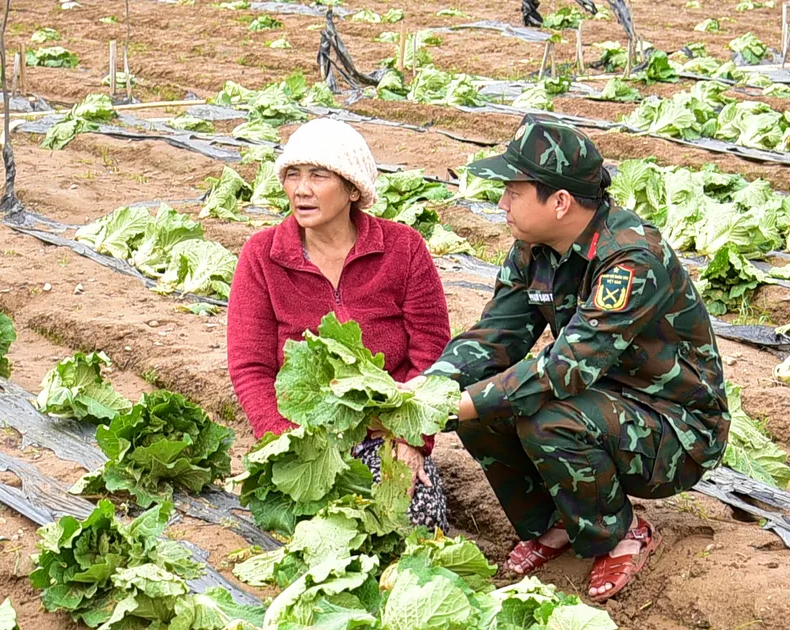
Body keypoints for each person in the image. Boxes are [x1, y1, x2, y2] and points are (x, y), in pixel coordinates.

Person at [419, 115, 729, 601]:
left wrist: (457, 405)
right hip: (603, 398)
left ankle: (621, 531)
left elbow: (565, 366)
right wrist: (428, 392)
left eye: (513, 191)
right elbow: (494, 337)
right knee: (480, 408)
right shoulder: (533, 249)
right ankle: (555, 523)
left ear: (559, 202)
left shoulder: (630, 259)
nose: (501, 203)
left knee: (540, 418)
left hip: (677, 427)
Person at [227, 118, 452, 531]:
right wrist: (289, 441)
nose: (301, 189)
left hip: (386, 431)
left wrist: (411, 440)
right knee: (319, 537)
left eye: (318, 175)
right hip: (306, 440)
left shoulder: (403, 248)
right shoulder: (261, 256)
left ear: (353, 189)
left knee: (417, 526)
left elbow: (432, 352)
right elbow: (251, 367)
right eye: (292, 175)